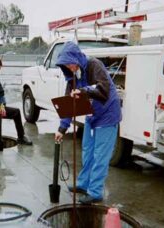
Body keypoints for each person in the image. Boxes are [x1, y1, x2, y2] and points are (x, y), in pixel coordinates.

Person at [54, 41, 122, 204]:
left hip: (107, 114)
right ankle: (84, 184)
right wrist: (61, 129)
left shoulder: (94, 65)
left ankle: (95, 191)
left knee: (100, 155)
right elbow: (68, 105)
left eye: (70, 63)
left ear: (77, 58)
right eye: (66, 65)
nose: (70, 67)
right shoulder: (72, 77)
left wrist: (84, 91)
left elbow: (103, 90)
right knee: (87, 150)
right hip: (92, 115)